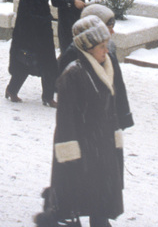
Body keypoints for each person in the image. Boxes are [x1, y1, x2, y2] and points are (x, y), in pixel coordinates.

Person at [35, 15, 124, 227]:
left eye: (107, 46)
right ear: (88, 47)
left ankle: (99, 218)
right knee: (76, 192)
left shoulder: (106, 67)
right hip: (81, 145)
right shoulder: (73, 74)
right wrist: (70, 154)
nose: (106, 50)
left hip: (102, 144)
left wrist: (115, 135)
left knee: (101, 191)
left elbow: (111, 107)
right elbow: (65, 120)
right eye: (102, 46)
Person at [57, 4, 133, 131]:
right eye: (109, 28)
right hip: (87, 129)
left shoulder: (108, 51)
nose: (112, 32)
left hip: (107, 124)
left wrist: (123, 116)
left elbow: (118, 86)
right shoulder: (74, 59)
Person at [7, 0, 58, 106]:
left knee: (49, 66)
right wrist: (46, 19)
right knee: (25, 66)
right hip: (30, 38)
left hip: (43, 37)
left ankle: (48, 97)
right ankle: (12, 90)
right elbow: (27, 18)